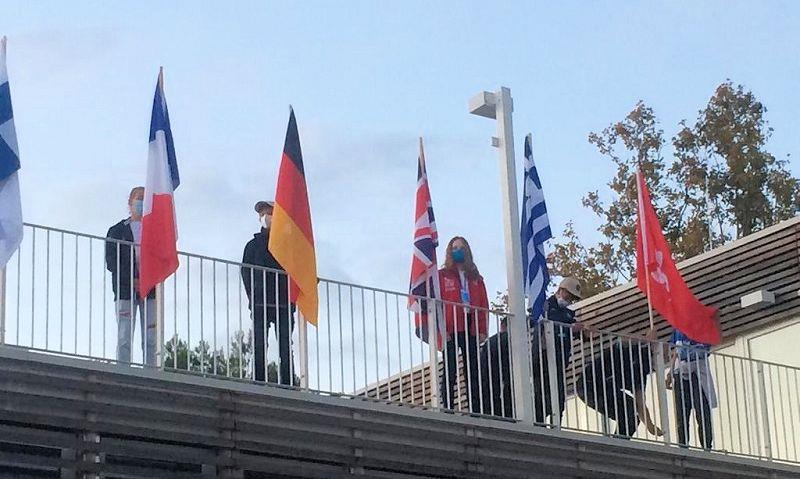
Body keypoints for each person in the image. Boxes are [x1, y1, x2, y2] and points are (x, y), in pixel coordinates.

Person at [241, 200, 295, 385]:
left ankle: (288, 383)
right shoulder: (253, 245)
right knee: (258, 344)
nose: (265, 216)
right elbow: (245, 273)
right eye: (262, 213)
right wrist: (253, 296)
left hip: (283, 302)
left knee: (286, 346)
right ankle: (259, 381)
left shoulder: (288, 245)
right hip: (260, 303)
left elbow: (298, 267)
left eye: (268, 212)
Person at [576, 328, 664, 438]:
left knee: (630, 415)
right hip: (588, 384)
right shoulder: (633, 350)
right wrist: (646, 340)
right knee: (629, 409)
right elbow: (622, 338)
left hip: (605, 388)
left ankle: (617, 442)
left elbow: (640, 403)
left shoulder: (640, 373)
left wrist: (650, 426)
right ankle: (616, 442)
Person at [105, 186, 157, 367]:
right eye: (138, 198)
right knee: (124, 334)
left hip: (150, 290)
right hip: (125, 290)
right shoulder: (117, 230)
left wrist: (147, 280)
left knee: (151, 336)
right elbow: (111, 261)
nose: (141, 202)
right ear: (130, 201)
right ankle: (123, 369)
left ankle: (151, 371)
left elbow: (161, 259)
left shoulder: (155, 232)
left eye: (145, 198)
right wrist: (131, 280)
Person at [438, 236, 488, 413]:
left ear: (467, 250)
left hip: (470, 326)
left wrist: (482, 330)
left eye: (460, 247)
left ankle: (475, 409)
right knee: (450, 368)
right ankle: (448, 408)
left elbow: (483, 306)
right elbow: (436, 304)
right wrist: (440, 331)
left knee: (472, 370)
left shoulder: (476, 278)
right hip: (450, 327)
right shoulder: (442, 275)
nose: (457, 250)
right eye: (454, 247)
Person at [531, 277, 585, 425]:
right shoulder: (544, 305)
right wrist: (569, 327)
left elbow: (575, 331)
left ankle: (556, 427)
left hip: (560, 361)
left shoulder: (569, 314)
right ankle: (539, 427)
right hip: (542, 359)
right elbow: (544, 322)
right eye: (569, 295)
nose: (570, 300)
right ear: (561, 290)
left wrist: (583, 330)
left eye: (573, 298)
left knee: (559, 398)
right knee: (541, 396)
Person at [667, 329, 716, 450]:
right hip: (681, 371)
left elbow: (711, 344)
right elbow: (676, 352)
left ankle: (706, 447)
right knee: (682, 412)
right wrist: (670, 372)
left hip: (698, 371)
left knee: (702, 411)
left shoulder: (701, 326)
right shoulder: (678, 329)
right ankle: (683, 446)